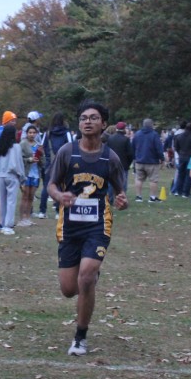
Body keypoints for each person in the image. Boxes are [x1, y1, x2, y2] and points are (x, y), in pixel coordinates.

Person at [48, 100, 127, 356]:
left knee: (86, 278)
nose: (88, 122)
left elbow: (120, 191)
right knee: (69, 289)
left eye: (93, 117)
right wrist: (59, 196)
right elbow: (51, 185)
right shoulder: (67, 152)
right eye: (83, 118)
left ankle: (80, 337)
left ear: (104, 124)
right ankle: (89, 275)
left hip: (98, 225)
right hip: (69, 227)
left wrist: (122, 200)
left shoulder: (110, 157)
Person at [39, 113, 77, 217]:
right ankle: (58, 211)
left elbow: (41, 147)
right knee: (61, 187)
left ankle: (42, 211)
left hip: (49, 163)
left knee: (46, 186)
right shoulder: (67, 133)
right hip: (63, 163)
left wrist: (45, 158)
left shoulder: (47, 134)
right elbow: (72, 147)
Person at [0, 124, 24, 235]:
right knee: (11, 201)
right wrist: (22, 177)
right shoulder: (16, 147)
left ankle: (2, 222)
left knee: (3, 200)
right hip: (12, 176)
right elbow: (19, 164)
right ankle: (8, 225)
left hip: (0, 175)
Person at [132, 118, 163, 202]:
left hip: (139, 160)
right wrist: (162, 158)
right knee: (153, 180)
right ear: (152, 125)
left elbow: (133, 146)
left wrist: (135, 157)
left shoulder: (137, 134)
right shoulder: (154, 134)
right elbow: (158, 148)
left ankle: (138, 197)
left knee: (139, 179)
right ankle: (152, 197)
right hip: (152, 161)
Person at [18, 125, 44, 226]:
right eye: (30, 132)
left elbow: (43, 162)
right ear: (27, 133)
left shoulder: (38, 145)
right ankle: (22, 218)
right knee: (25, 196)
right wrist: (29, 159)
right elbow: (19, 159)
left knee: (31, 197)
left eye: (34, 133)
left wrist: (40, 155)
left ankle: (28, 218)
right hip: (26, 173)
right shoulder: (23, 144)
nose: (32, 134)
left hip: (35, 174)